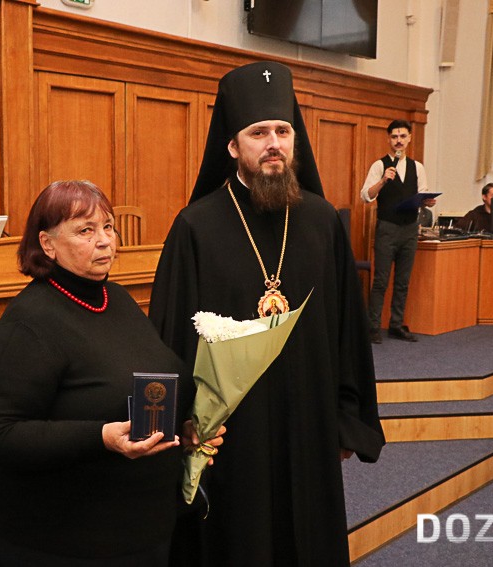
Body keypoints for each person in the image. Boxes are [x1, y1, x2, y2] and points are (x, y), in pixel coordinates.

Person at [149, 61, 385, 567]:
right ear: (233, 146)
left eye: (283, 131)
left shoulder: (322, 221)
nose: (273, 143)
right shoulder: (195, 227)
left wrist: (347, 418)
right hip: (232, 436)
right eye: (259, 133)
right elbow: (170, 337)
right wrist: (183, 423)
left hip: (310, 421)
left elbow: (348, 330)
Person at [0, 180, 219, 566]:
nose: (105, 241)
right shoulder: (29, 321)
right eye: (85, 231)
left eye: (108, 226)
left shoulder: (115, 298)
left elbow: (144, 385)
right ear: (47, 244)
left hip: (140, 533)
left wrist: (181, 430)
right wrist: (101, 437)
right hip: (57, 545)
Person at [361, 119, 436, 344]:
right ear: (388, 139)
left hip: (410, 229)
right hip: (387, 228)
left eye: (403, 136)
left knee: (403, 281)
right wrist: (383, 181)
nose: (398, 141)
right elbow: (366, 195)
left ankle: (396, 324)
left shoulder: (417, 167)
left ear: (409, 138)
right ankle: (373, 327)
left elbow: (422, 193)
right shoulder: (379, 165)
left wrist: (427, 201)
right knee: (381, 281)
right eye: (394, 137)